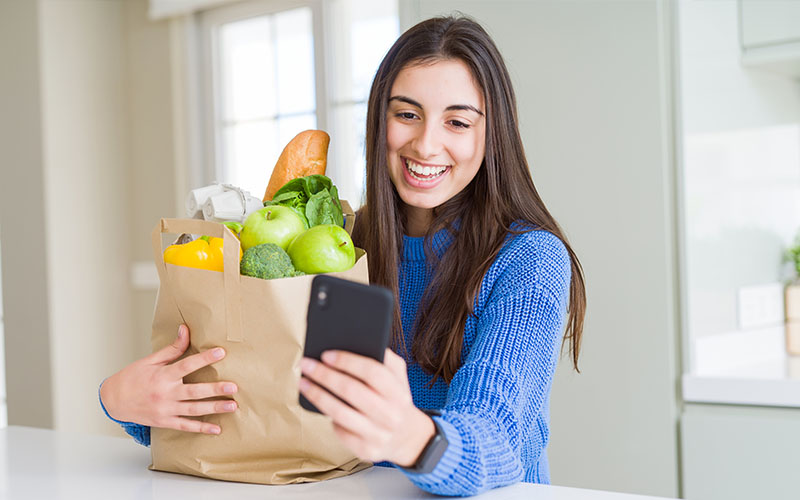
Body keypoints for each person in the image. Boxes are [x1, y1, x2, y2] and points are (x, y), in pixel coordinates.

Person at [99, 15, 586, 497]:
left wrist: (411, 436)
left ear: (491, 134)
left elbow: (496, 439)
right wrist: (124, 403)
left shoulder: (528, 259)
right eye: (407, 114)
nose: (425, 143)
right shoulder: (346, 242)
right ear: (380, 120)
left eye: (457, 121)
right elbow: (268, 402)